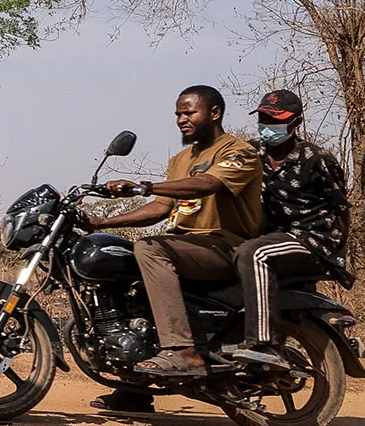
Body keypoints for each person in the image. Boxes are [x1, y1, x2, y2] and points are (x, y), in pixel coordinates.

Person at [87, 85, 263, 381]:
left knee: (149, 248)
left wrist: (143, 186)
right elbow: (159, 209)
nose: (182, 119)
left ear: (214, 113)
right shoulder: (180, 160)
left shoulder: (238, 151)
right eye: (178, 114)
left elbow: (207, 185)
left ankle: (182, 350)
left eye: (189, 112)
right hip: (184, 247)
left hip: (222, 246)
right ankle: (134, 387)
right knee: (125, 263)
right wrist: (100, 223)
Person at [228, 88, 350, 365]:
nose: (267, 126)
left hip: (312, 240)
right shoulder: (250, 153)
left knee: (253, 254)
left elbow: (342, 210)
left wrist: (336, 257)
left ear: (296, 123)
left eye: (275, 120)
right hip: (272, 236)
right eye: (263, 119)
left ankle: (264, 344)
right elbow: (221, 176)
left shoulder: (317, 159)